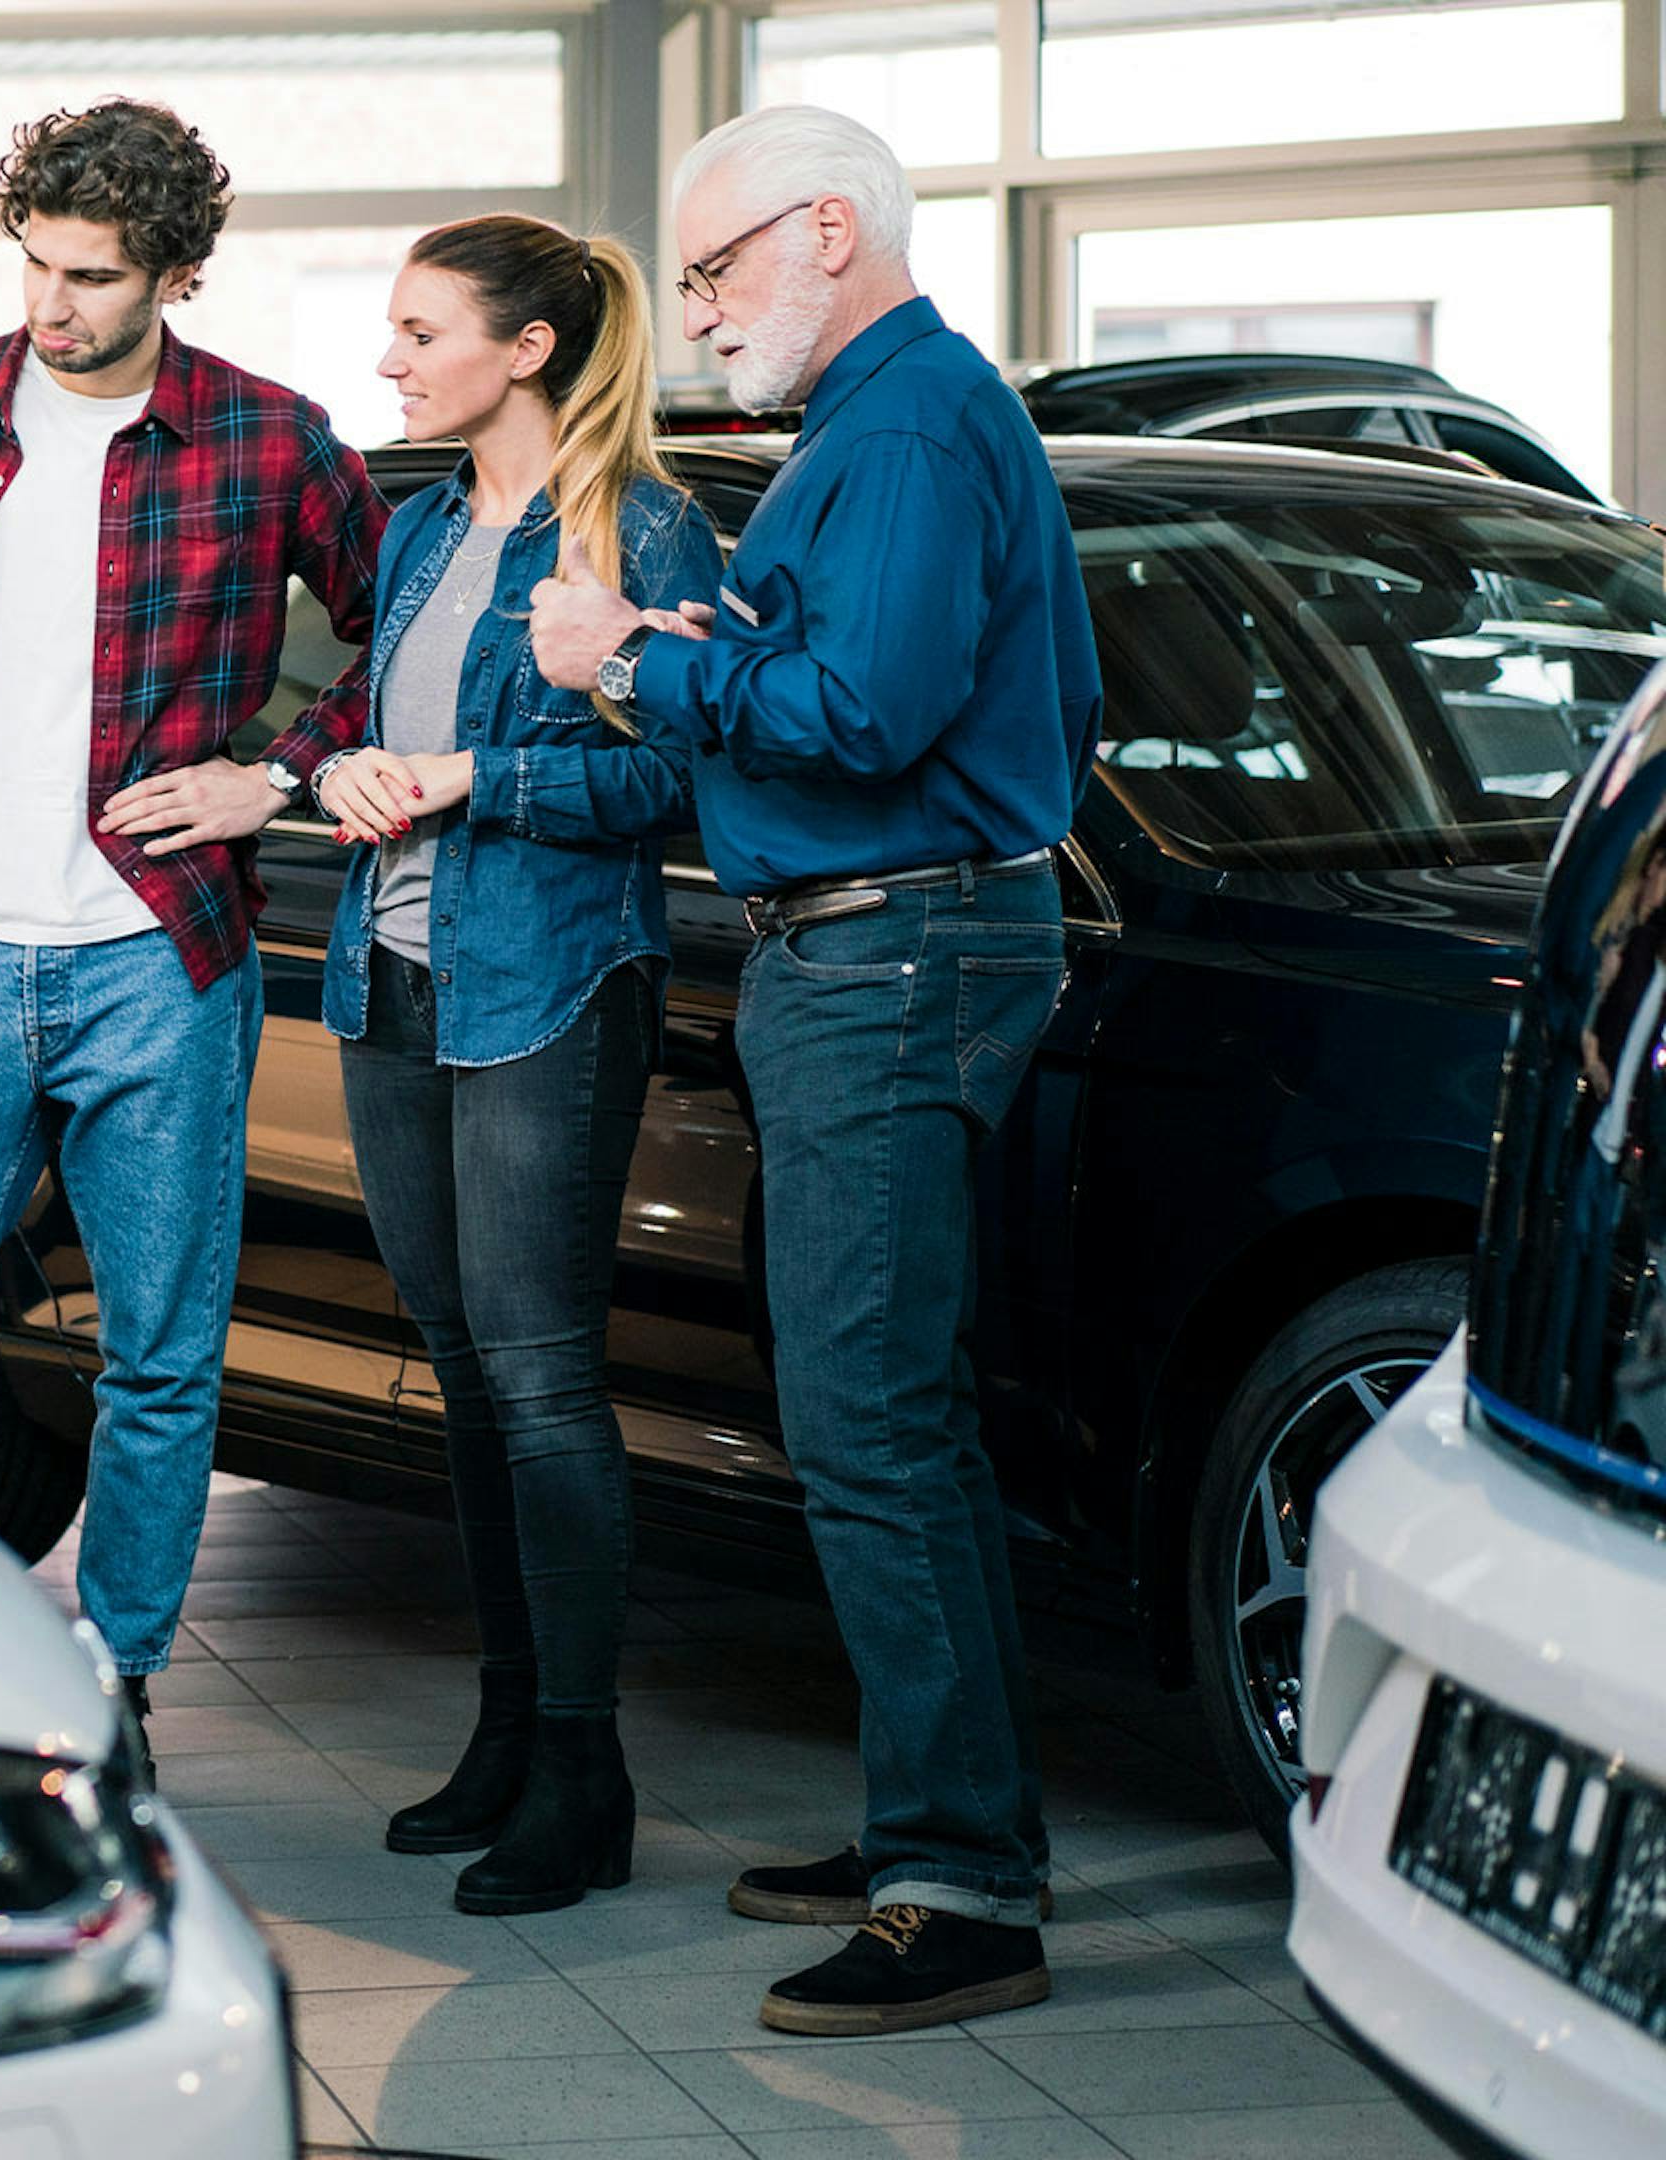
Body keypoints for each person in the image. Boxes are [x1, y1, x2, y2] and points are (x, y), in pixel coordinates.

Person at [528, 105, 1101, 2034]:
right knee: (873, 1408)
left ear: (830, 229)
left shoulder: (916, 424)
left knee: (873, 1422)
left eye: (711, 270)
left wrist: (628, 654)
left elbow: (867, 712)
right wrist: (717, 642)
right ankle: (929, 1821)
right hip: (868, 947)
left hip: (893, 946)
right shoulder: (877, 430)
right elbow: (897, 678)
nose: (695, 319)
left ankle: (964, 1887)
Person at [0, 98, 381, 1764]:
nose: (53, 307)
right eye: (38, 266)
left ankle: (118, 1679)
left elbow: (397, 642)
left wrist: (269, 779)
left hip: (160, 963)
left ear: (176, 275)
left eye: (95, 277)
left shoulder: (271, 441)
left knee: (160, 1358)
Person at [301, 215, 720, 1917]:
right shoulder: (413, 534)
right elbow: (369, 726)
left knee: (545, 1385)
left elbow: (684, 781)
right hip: (389, 982)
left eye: (418, 331)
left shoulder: (645, 527)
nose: (390, 361)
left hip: (548, 987)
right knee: (464, 1373)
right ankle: (500, 1732)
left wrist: (483, 778)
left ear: (526, 347)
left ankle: (582, 1767)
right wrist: (332, 772)